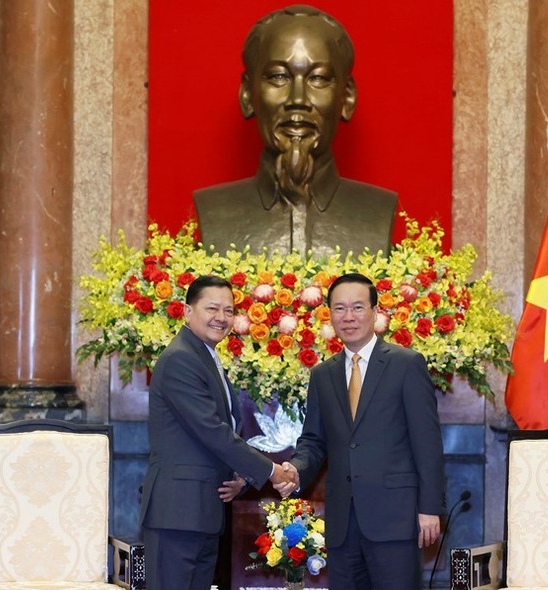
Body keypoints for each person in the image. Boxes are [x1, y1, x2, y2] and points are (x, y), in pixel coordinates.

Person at [278, 273, 446, 590]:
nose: (349, 317)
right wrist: (296, 469)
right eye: (340, 309)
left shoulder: (406, 364)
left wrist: (429, 508)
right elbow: (314, 441)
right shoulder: (323, 374)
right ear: (329, 314)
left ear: (374, 311)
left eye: (357, 307)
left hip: (396, 518)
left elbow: (427, 443)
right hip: (343, 524)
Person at [194, 5, 397, 257]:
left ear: (346, 98)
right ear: (247, 95)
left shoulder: (379, 211)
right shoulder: (213, 211)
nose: (298, 99)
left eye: (318, 78)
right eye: (278, 77)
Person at [139, 275, 297, 590]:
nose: (221, 318)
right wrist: (271, 471)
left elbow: (221, 430)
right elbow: (211, 430)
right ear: (186, 311)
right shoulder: (181, 359)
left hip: (201, 510)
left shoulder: (206, 356)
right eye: (212, 308)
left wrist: (238, 473)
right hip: (178, 512)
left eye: (228, 311)